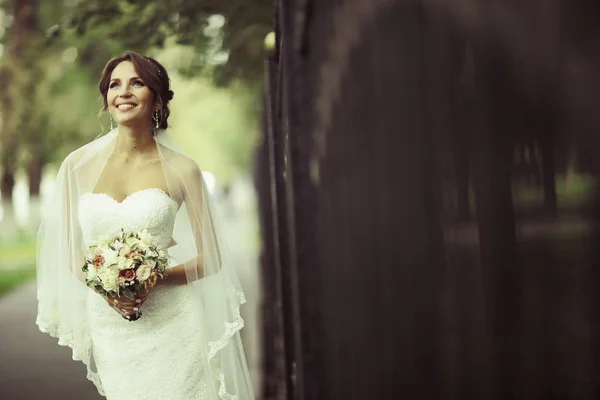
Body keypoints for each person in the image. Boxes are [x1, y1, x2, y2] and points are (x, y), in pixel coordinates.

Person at [36, 51, 255, 400]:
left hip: (175, 321)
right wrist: (108, 288)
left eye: (136, 83)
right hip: (111, 324)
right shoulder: (75, 167)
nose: (123, 92)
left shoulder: (183, 170)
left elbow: (211, 257)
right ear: (106, 100)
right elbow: (69, 253)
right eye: (115, 85)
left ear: (156, 99)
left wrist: (148, 278)